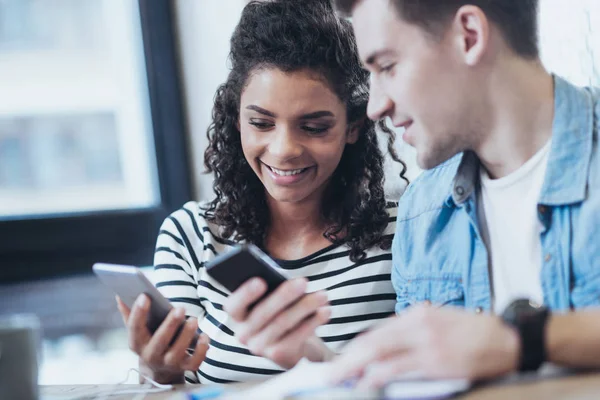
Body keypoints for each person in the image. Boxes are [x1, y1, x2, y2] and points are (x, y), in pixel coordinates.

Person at [116, 0, 408, 385]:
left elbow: (421, 383)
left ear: (353, 126)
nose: (284, 149)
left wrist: (316, 358)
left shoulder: (404, 230)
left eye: (314, 127)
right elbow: (171, 383)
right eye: (261, 122)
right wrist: (158, 370)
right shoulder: (191, 235)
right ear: (236, 119)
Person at [330, 0, 600, 388]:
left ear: (469, 36)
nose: (374, 107)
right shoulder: (421, 213)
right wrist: (317, 360)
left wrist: (522, 340)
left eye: (387, 66)